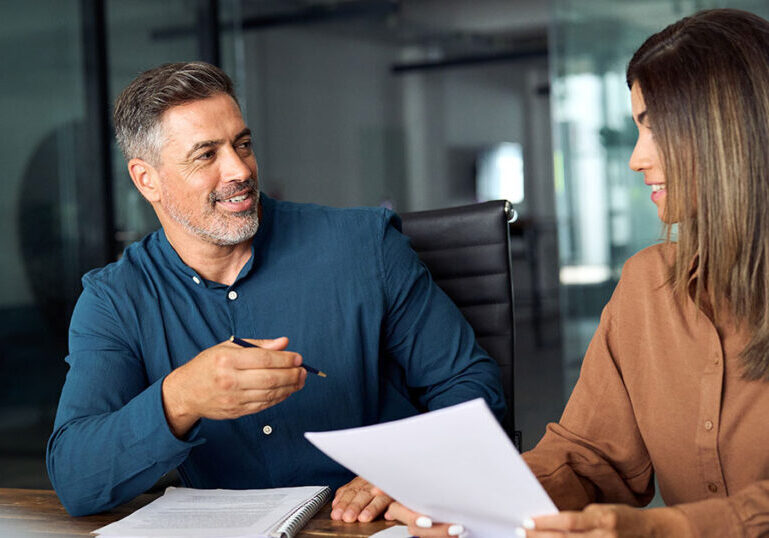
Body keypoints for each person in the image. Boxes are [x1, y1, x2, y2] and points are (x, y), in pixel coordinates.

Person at [46, 62, 506, 518]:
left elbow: (471, 385)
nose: (239, 170)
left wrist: (411, 470)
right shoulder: (114, 299)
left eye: (242, 144)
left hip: (371, 525)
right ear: (147, 180)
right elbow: (76, 480)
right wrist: (180, 398)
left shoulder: (366, 246)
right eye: (206, 155)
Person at [382, 8, 769, 538]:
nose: (636, 159)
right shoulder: (647, 285)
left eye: (655, 128)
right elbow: (589, 456)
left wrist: (670, 528)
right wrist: (481, 498)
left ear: (728, 134)